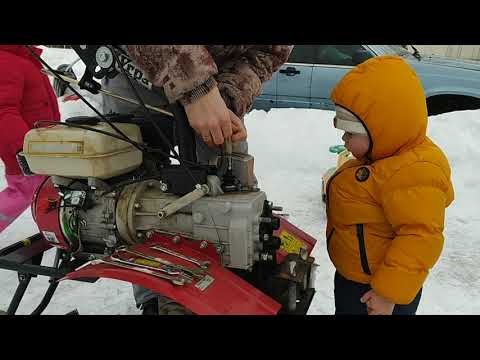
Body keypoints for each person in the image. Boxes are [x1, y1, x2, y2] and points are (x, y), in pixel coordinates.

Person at [101, 45, 293, 314]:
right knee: (130, 193)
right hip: (138, 66)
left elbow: (267, 52)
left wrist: (227, 96)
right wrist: (195, 88)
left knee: (229, 182)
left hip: (217, 76)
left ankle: (229, 284)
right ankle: (154, 294)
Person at [324, 56, 454, 315]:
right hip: (356, 281)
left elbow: (420, 237)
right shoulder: (383, 156)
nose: (343, 138)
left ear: (382, 129)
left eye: (350, 133)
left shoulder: (414, 170)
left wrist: (387, 294)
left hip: (380, 292)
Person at [0, 45, 60, 233]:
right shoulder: (6, 61)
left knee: (48, 190)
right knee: (24, 192)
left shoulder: (24, 58)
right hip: (24, 150)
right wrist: (23, 148)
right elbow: (3, 111)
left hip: (38, 148)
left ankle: (57, 230)